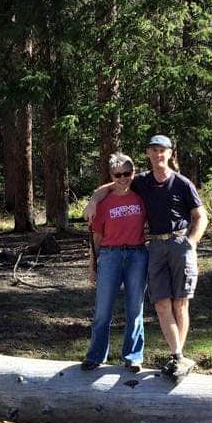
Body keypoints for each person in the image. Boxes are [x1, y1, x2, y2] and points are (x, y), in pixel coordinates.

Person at [85, 135, 208, 379]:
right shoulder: (137, 184)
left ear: (171, 153)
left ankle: (164, 357)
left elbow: (200, 216)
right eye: (153, 150)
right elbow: (111, 191)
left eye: (162, 150)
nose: (123, 178)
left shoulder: (174, 184)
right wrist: (92, 200)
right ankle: (97, 356)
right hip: (134, 251)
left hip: (161, 247)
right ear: (148, 154)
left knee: (164, 305)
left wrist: (191, 243)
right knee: (147, 305)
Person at [81, 152, 149, 373]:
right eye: (118, 174)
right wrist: (93, 266)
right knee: (103, 309)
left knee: (135, 308)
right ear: (111, 175)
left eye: (127, 173)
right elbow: (97, 237)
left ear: (133, 172)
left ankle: (133, 356)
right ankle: (96, 355)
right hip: (110, 255)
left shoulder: (141, 196)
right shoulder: (104, 203)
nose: (123, 178)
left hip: (137, 255)